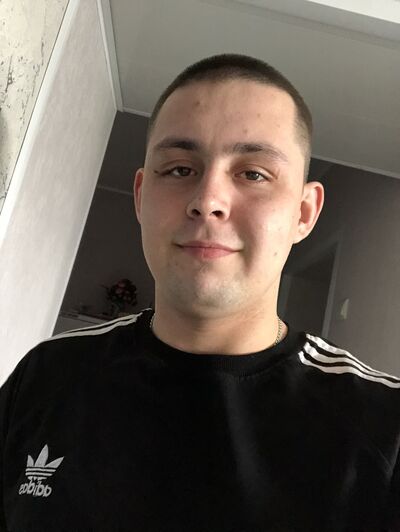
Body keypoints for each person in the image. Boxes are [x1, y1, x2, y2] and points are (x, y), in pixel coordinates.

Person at [0, 53, 399, 532]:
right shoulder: (46, 376)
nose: (207, 200)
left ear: (304, 213)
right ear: (141, 196)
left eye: (253, 173)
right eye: (179, 169)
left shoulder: (385, 430)